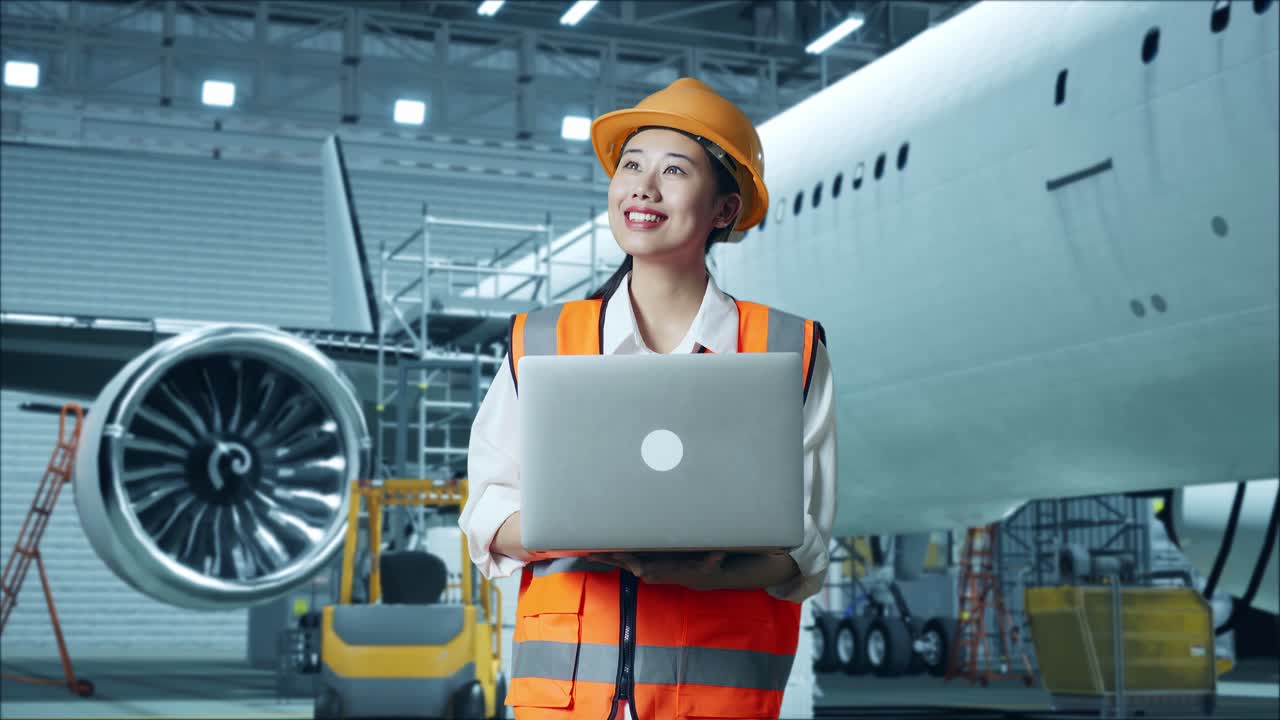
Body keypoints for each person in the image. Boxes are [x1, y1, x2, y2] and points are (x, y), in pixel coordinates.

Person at [459, 77, 837, 720]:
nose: (643, 186)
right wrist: (573, 532)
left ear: (723, 209)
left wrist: (710, 574)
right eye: (631, 165)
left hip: (715, 705)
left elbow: (806, 545)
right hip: (565, 703)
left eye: (674, 170)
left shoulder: (788, 348)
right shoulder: (545, 340)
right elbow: (487, 512)